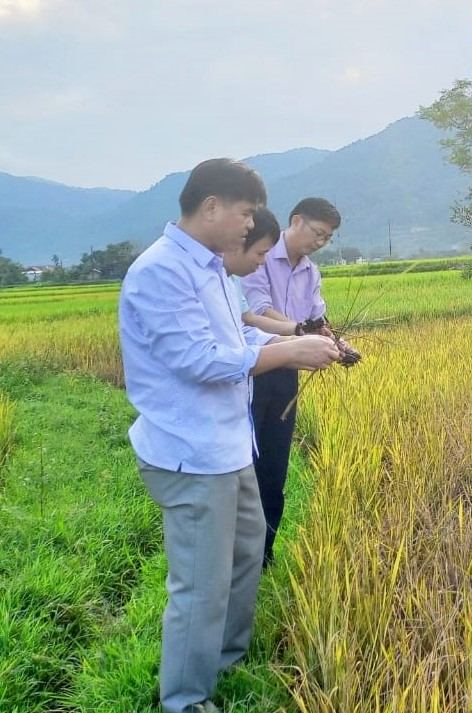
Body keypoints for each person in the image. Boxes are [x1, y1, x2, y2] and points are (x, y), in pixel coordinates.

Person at [118, 159, 341, 713]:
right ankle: (187, 699)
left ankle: (225, 658)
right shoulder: (161, 270)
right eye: (244, 214)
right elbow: (198, 360)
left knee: (245, 555)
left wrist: (290, 339)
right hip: (191, 453)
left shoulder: (212, 267)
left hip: (230, 444)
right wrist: (288, 352)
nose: (250, 226)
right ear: (212, 205)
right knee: (201, 582)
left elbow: (237, 328)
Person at [241, 197, 341, 566]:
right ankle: (240, 551)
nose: (320, 241)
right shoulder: (260, 253)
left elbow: (317, 317)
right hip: (255, 365)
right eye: (318, 233)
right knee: (247, 463)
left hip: (288, 371)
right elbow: (258, 312)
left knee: (275, 465)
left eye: (327, 238)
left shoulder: (311, 272)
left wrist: (335, 342)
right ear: (296, 220)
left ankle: (264, 554)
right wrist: (300, 334)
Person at [223, 206, 297, 337]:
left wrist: (298, 331)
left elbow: (247, 320)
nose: (262, 261)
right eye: (260, 253)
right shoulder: (205, 277)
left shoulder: (233, 278)